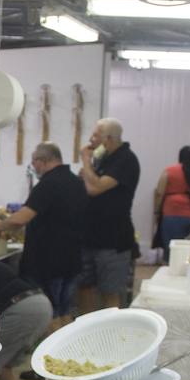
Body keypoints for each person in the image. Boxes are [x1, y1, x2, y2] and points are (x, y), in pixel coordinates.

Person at [0, 143, 85, 334]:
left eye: (34, 163)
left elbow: (21, 218)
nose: (34, 167)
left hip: (49, 261)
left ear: (42, 161)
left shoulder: (48, 184)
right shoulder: (76, 182)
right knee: (65, 310)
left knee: (51, 312)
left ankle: (52, 355)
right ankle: (69, 347)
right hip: (72, 258)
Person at [78, 117, 140, 313]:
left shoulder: (126, 160)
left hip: (113, 241)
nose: (91, 139)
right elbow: (88, 185)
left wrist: (86, 163)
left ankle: (110, 337)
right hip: (90, 236)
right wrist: (89, 170)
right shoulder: (104, 158)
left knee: (110, 291)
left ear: (109, 139)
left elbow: (95, 188)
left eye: (96, 135)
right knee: (85, 287)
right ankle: (87, 334)